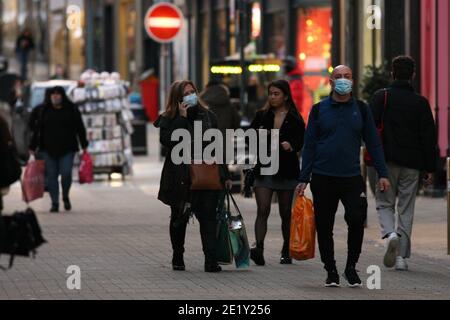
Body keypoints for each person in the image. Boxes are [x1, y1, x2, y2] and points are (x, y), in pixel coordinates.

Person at [296, 65, 391, 288]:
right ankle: (330, 269)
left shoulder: (361, 108)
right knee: (324, 224)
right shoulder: (319, 110)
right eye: (338, 77)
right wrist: (303, 178)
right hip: (322, 176)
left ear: (352, 81)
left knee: (356, 219)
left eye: (347, 76)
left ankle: (351, 266)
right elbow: (309, 146)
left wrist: (383, 173)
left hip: (351, 177)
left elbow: (373, 143)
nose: (343, 80)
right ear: (331, 81)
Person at [154, 80, 233, 273]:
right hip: (179, 175)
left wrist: (224, 174)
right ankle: (178, 256)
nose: (191, 95)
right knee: (178, 218)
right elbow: (168, 141)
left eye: (193, 91)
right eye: (186, 93)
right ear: (177, 99)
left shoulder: (207, 116)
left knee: (208, 217)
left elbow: (218, 146)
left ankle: (211, 260)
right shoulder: (170, 118)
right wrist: (181, 118)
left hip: (205, 173)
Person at [370, 56, 437, 271]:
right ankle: (401, 258)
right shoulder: (421, 103)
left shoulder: (381, 97)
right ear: (413, 76)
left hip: (385, 162)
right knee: (406, 209)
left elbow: (370, 130)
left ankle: (390, 234)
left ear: (392, 73)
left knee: (384, 202)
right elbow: (428, 137)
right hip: (412, 164)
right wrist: (429, 167)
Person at [249, 79, 306, 266]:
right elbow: (249, 137)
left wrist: (292, 145)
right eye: (270, 94)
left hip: (287, 170)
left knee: (285, 212)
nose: (272, 97)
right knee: (263, 208)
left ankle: (286, 249)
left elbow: (301, 140)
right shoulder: (261, 115)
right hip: (265, 168)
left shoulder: (295, 119)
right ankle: (259, 248)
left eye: (276, 94)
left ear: (286, 96)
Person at [29, 86, 88, 213]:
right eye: (53, 94)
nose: (55, 96)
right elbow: (38, 129)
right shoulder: (44, 110)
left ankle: (65, 195)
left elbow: (80, 128)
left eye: (58, 94)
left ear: (62, 96)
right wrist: (32, 146)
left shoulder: (71, 109)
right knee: (52, 177)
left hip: (67, 149)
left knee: (66, 174)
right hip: (48, 149)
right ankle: (54, 203)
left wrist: (84, 145)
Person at [284, 56, 305, 121]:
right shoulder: (292, 78)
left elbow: (294, 98)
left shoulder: (295, 79)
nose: (285, 66)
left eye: (287, 64)